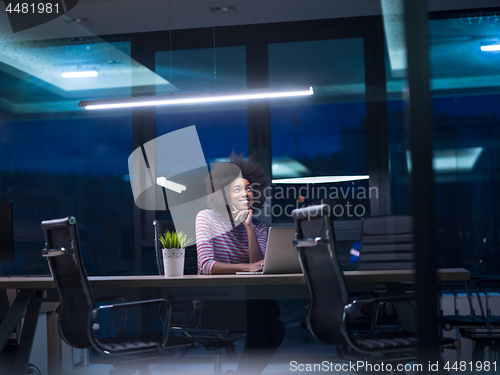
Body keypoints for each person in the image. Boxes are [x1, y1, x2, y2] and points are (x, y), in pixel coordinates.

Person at [195, 152, 285, 375]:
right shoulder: (206, 217)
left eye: (248, 189)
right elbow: (206, 265)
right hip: (212, 302)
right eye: (237, 189)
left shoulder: (259, 228)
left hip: (244, 299)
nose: (246, 193)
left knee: (273, 320)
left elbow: (260, 264)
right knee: (268, 314)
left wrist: (249, 228)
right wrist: (246, 268)